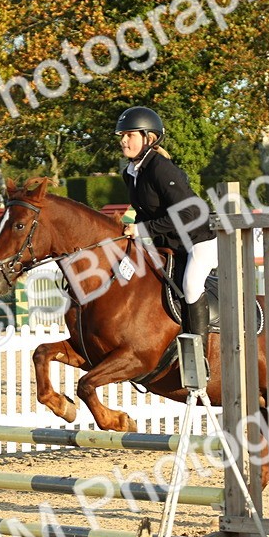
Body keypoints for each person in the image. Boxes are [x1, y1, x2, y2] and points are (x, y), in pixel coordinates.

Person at [116, 106, 217, 352]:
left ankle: (199, 356)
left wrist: (142, 230)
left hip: (197, 241)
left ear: (149, 138)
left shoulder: (161, 168)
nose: (123, 140)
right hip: (168, 243)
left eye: (129, 135)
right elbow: (146, 212)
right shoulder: (130, 173)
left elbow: (190, 213)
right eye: (122, 135)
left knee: (192, 286)